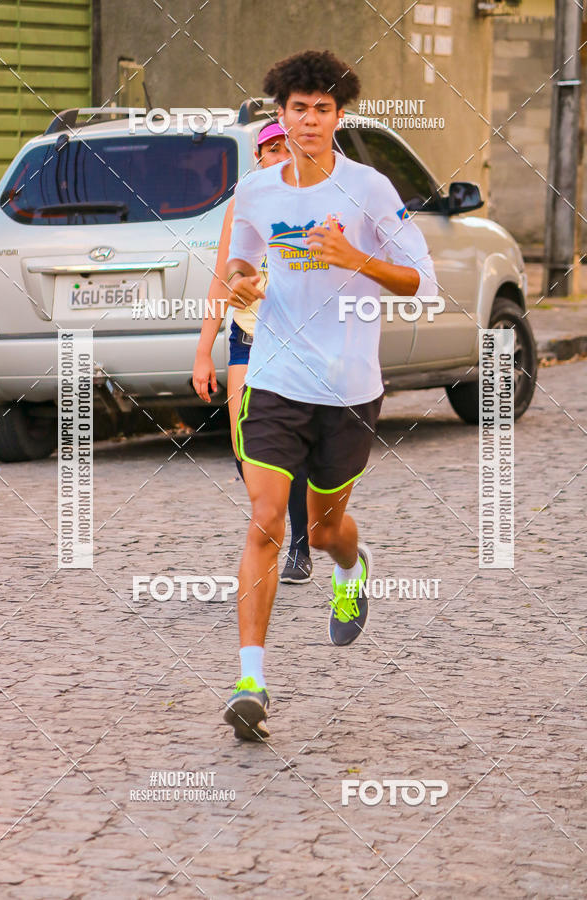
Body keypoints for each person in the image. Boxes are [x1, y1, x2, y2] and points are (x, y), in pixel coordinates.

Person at [223, 49, 437, 741]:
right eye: (299, 108)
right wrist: (240, 279)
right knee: (265, 519)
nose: (310, 120)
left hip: (348, 386)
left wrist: (357, 259)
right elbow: (241, 258)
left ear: (339, 116)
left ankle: (352, 567)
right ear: (281, 115)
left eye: (322, 109)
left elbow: (422, 282)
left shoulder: (369, 188)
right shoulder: (257, 190)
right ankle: (250, 682)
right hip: (274, 378)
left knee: (322, 530)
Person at [193, 120, 313, 584]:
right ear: (259, 157)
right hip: (246, 339)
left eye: (286, 147)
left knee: (292, 445)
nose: (279, 155)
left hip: (296, 340)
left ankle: (298, 543)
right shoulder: (241, 206)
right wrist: (203, 352)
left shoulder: (311, 203)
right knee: (244, 448)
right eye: (271, 149)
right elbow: (221, 279)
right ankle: (272, 518)